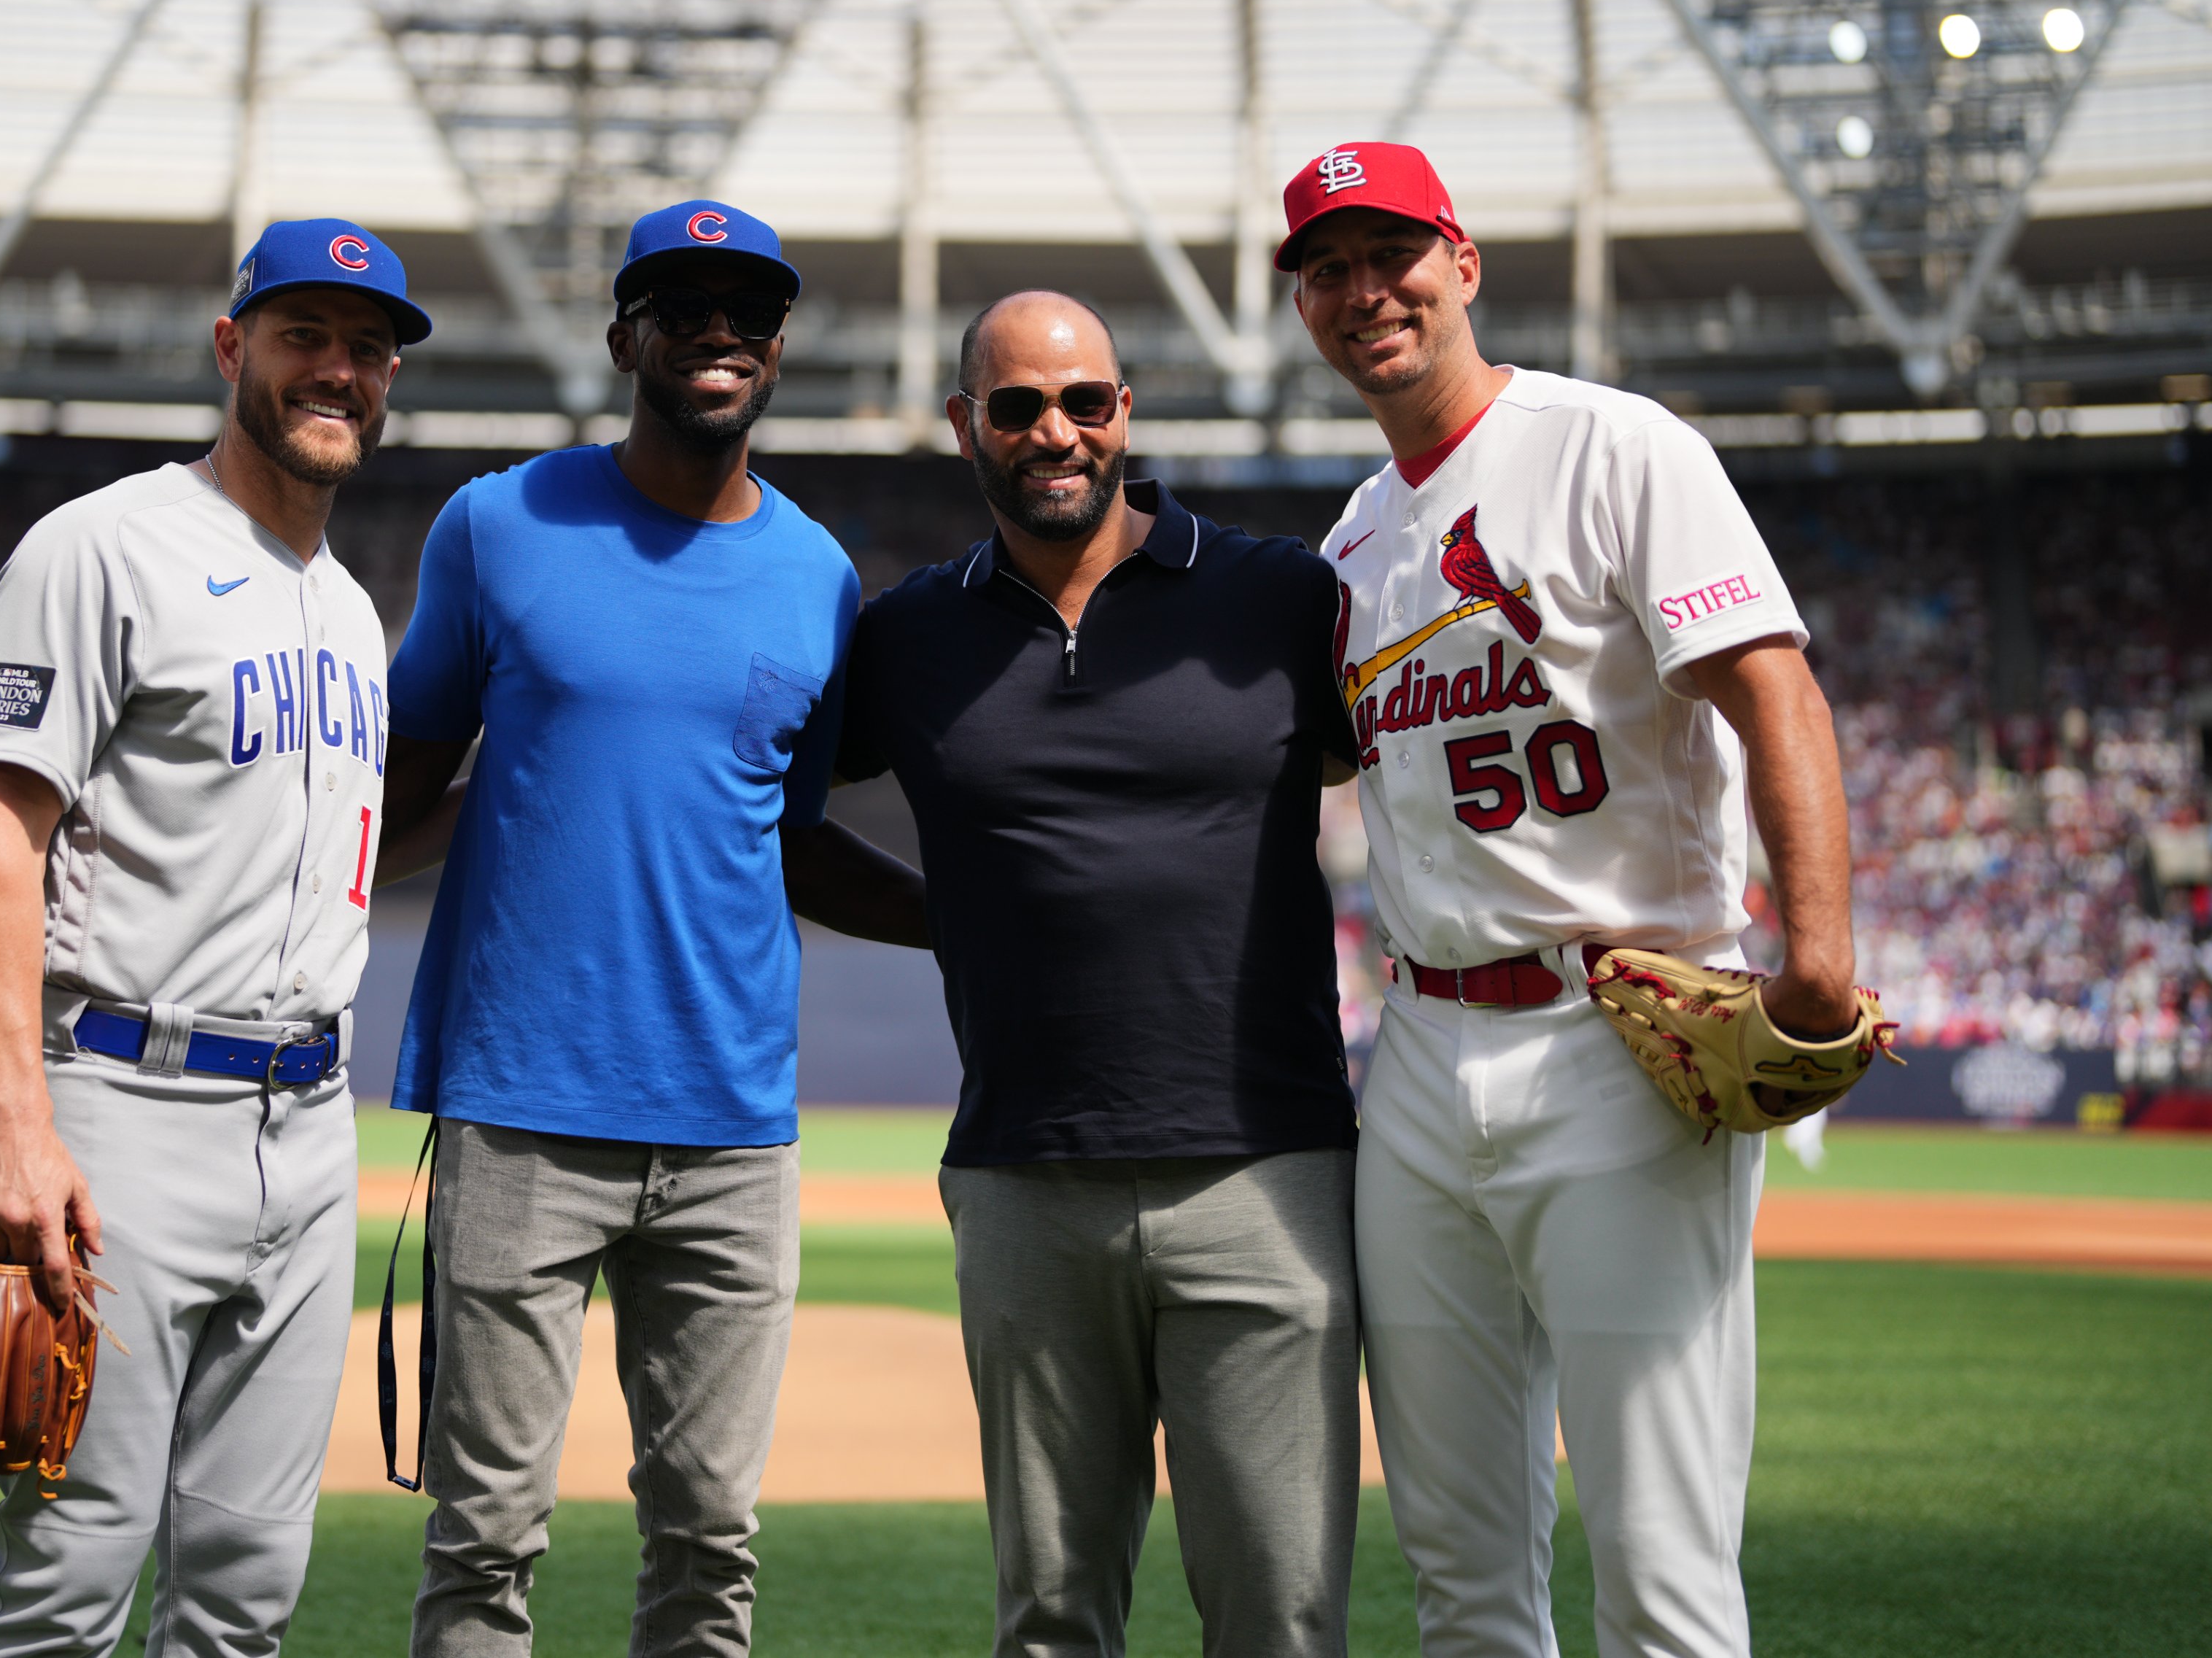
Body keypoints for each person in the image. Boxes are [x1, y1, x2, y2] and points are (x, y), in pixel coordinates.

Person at [1287, 142, 1858, 1658]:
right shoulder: (1348, 538)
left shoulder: (1612, 445)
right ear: (1302, 306)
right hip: (1414, 1049)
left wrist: (1814, 959)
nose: (1364, 292)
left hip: (1618, 1033)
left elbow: (1770, 689)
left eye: (1389, 253)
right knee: (1460, 1575)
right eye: (1326, 268)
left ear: (1460, 261)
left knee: (1660, 1571)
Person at [376, 198, 923, 1658]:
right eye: (680, 307)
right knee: (482, 1536)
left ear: (779, 346)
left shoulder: (814, 575)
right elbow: (396, 791)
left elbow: (789, 838)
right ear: (624, 337)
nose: (716, 332)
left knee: (708, 1539)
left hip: (732, 1129)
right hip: (518, 1108)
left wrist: (967, 919)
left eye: (746, 310)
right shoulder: (494, 524)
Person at [832, 290, 1362, 1658]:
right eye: (1016, 407)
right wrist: (952, 919)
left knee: (1283, 1619)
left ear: (1126, 411)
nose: (1053, 432)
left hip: (1268, 1175)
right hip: (1023, 1181)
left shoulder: (1281, 597)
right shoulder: (906, 638)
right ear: (967, 428)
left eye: (1083, 401)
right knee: (1054, 1621)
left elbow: (1427, 781)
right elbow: (754, 812)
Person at [0, 220, 430, 1657]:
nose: (336, 368)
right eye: (303, 335)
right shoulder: (101, 545)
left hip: (309, 1122)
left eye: (366, 347)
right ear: (232, 347)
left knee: (242, 1597)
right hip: (124, 1110)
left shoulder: (347, 611)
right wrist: (14, 1122)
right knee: (63, 1588)